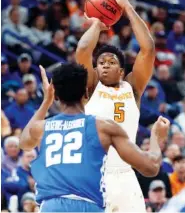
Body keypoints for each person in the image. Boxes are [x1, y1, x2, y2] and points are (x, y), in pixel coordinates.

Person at [19, 63, 170, 212]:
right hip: (87, 206)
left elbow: (24, 142)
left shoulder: (42, 127)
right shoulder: (103, 127)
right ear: (86, 93)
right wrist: (156, 137)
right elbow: (151, 167)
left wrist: (47, 101)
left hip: (51, 207)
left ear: (56, 95)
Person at [76, 0, 155, 212]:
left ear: (122, 71)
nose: (105, 65)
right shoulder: (90, 88)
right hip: (94, 174)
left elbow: (148, 49)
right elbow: (83, 49)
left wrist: (127, 7)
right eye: (101, 62)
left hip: (125, 175)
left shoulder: (133, 88)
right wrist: (96, 25)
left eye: (111, 62)